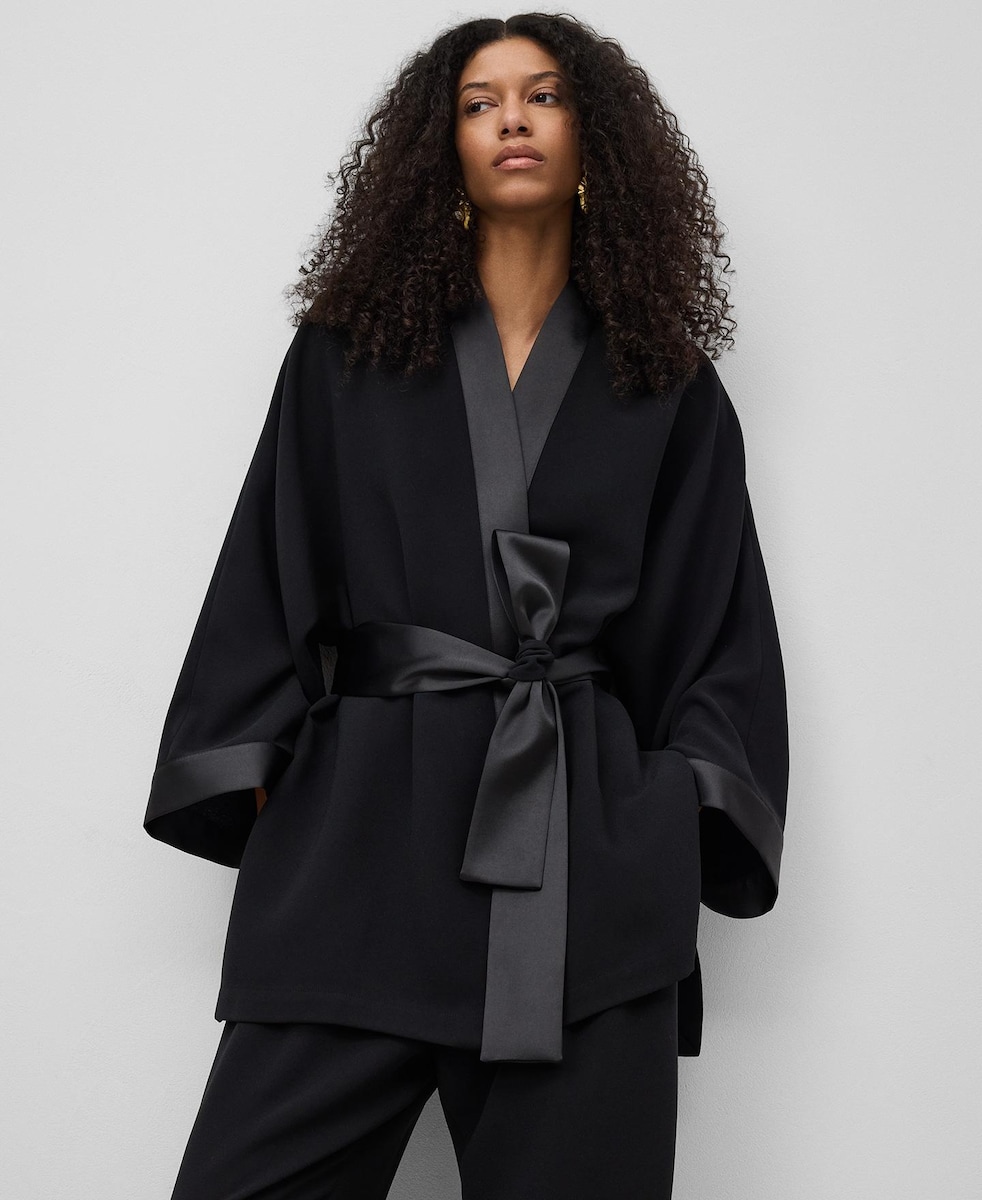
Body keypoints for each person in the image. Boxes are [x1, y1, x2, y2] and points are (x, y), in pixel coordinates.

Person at [145, 13, 789, 1199]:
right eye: (479, 103)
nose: (511, 120)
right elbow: (268, 569)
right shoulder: (345, 356)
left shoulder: (667, 380)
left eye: (543, 95)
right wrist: (271, 778)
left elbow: (714, 625)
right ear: (438, 148)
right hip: (365, 843)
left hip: (584, 875)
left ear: (594, 139)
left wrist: (663, 818)